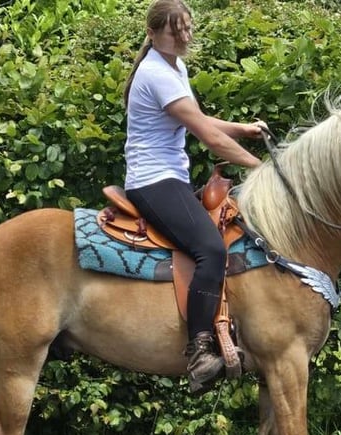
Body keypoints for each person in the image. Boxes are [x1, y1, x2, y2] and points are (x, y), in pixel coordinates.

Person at [122, 0, 266, 394]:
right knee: (211, 250)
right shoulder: (155, 72)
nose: (184, 37)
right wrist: (262, 169)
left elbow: (200, 119)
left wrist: (243, 128)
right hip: (154, 180)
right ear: (152, 33)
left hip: (171, 177)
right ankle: (200, 351)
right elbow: (207, 136)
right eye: (175, 31)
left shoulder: (174, 66)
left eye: (187, 29)